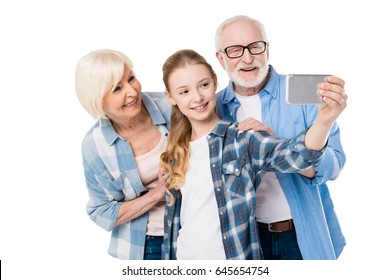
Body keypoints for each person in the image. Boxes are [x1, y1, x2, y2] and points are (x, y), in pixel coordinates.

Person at [159, 49, 347, 260]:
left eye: (203, 85)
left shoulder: (241, 139)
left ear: (214, 81)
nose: (197, 97)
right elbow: (176, 221)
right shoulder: (176, 151)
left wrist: (324, 122)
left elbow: (299, 155)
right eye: (184, 92)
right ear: (170, 97)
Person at [214, 15, 347, 260]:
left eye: (255, 46)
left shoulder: (303, 94)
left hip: (302, 237)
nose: (247, 57)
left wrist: (276, 149)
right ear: (221, 59)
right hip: (247, 241)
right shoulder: (213, 107)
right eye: (234, 50)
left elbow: (334, 167)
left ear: (267, 49)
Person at [74, 49, 171, 260]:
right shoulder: (95, 146)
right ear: (98, 100)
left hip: (195, 230)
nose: (132, 92)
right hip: (145, 244)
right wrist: (156, 194)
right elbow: (102, 211)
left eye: (131, 78)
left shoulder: (170, 106)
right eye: (117, 88)